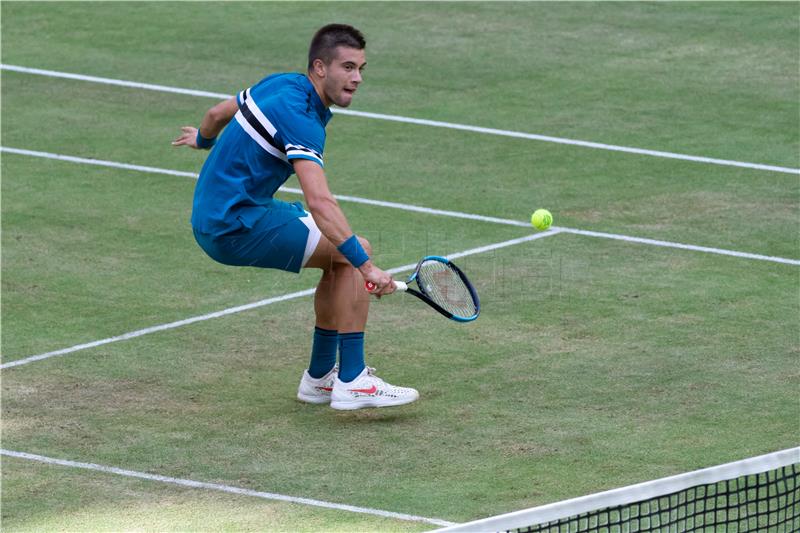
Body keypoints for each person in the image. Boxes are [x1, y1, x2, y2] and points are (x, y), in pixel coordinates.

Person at [172, 24, 418, 410]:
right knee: (354, 253)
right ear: (320, 68)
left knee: (339, 261)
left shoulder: (282, 83)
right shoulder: (301, 120)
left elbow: (215, 113)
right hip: (235, 225)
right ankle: (352, 380)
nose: (356, 79)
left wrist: (202, 140)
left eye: (361, 69)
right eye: (348, 67)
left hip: (221, 212)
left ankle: (320, 380)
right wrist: (368, 267)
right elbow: (320, 202)